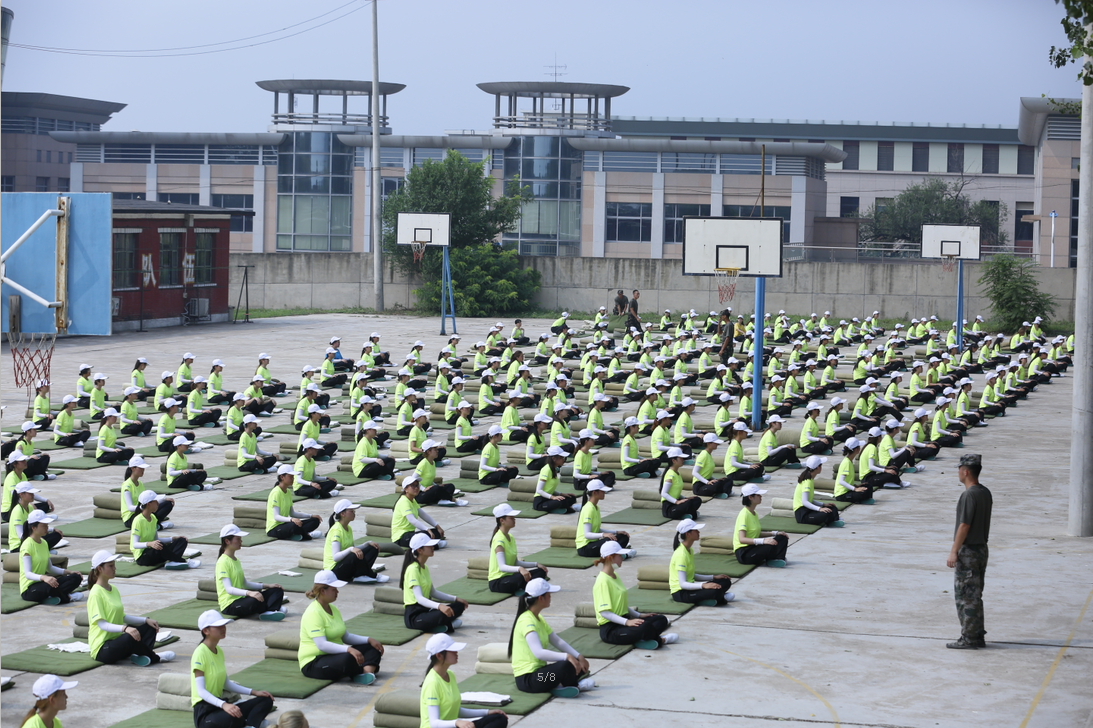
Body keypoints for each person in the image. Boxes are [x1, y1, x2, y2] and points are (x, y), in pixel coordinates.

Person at [85, 550, 175, 666]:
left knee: (149, 627)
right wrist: (125, 628)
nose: (114, 568)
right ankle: (154, 657)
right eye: (110, 566)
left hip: (117, 643)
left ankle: (141, 656)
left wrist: (145, 620)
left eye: (114, 565)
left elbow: (122, 617)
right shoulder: (95, 593)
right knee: (129, 637)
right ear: (99, 569)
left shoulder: (113, 589)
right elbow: (102, 624)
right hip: (103, 650)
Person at [508, 578, 594, 698]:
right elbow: (538, 653)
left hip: (540, 674)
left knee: (577, 666)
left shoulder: (538, 618)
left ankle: (560, 684)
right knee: (565, 666)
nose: (550, 597)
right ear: (540, 598)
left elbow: (557, 641)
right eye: (548, 594)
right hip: (530, 680)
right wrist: (567, 656)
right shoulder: (526, 620)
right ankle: (569, 685)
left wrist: (579, 656)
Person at [191, 610, 275, 727]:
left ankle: (250, 726)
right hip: (205, 713)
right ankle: (250, 723)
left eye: (223, 625)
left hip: (219, 707)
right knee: (234, 717)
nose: (223, 628)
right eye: (218, 626)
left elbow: (226, 684)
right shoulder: (200, 653)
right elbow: (201, 691)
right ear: (206, 631)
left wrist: (254, 692)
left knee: (266, 700)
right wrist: (224, 705)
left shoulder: (219, 651)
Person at [299, 571, 385, 683]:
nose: (337, 591)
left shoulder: (333, 609)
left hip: (334, 656)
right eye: (334, 589)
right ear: (322, 591)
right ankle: (362, 671)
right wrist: (348, 649)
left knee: (372, 647)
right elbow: (322, 645)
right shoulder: (313, 612)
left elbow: (346, 637)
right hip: (314, 662)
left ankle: (365, 674)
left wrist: (369, 639)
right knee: (348, 658)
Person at [946, 453, 992, 650]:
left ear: (965, 471)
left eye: (959, 469)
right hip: (981, 549)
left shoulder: (969, 495)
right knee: (975, 594)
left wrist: (954, 551)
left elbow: (964, 525)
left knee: (966, 596)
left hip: (969, 551)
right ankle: (977, 634)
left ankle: (969, 637)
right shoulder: (985, 492)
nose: (958, 472)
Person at [593, 540, 675, 649]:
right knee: (645, 626)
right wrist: (627, 622)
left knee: (660, 619)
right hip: (611, 630)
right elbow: (605, 613)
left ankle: (641, 639)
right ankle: (661, 640)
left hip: (623, 621)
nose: (622, 558)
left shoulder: (615, 575)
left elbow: (619, 604)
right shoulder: (602, 581)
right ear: (610, 558)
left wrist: (639, 615)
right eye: (620, 555)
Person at [420, 633, 508, 728]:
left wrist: (487, 712)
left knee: (499, 718)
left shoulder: (450, 674)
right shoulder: (432, 683)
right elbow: (434, 723)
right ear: (439, 656)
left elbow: (456, 710)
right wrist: (457, 722)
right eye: (452, 650)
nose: (456, 652)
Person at [216, 524, 286, 620]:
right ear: (227, 541)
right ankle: (272, 608)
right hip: (230, 605)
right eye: (238, 539)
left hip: (241, 599)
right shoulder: (222, 562)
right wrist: (249, 593)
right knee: (254, 600)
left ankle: (270, 611)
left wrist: (268, 586)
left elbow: (245, 584)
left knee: (277, 590)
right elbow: (228, 589)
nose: (241, 541)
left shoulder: (236, 560)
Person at [401, 533, 468, 633]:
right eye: (429, 546)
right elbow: (419, 599)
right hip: (415, 616)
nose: (433, 547)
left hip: (427, 611)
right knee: (442, 613)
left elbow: (433, 593)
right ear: (420, 550)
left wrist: (456, 599)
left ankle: (443, 624)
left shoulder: (424, 567)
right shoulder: (412, 569)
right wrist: (440, 606)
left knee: (459, 606)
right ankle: (446, 625)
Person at [19, 510, 82, 604]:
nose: (47, 528)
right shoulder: (27, 545)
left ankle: (52, 597)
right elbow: (27, 574)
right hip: (29, 589)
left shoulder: (44, 543)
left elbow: (50, 568)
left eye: (47, 525)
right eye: (44, 525)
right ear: (33, 527)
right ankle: (67, 598)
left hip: (43, 584)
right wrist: (44, 578)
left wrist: (69, 572)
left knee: (76, 577)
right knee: (51, 586)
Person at [669, 520, 734, 606]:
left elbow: (691, 575)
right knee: (715, 591)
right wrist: (703, 585)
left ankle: (717, 597)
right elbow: (683, 584)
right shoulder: (681, 555)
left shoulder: (689, 550)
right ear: (688, 534)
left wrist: (714, 577)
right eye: (695, 530)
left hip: (691, 588)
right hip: (682, 593)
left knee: (725, 581)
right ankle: (719, 597)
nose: (698, 532)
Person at [487, 504, 547, 594]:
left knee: (540, 572)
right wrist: (520, 569)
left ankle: (523, 586)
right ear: (502, 520)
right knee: (521, 577)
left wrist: (536, 564)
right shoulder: (499, 540)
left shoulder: (510, 537)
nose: (514, 520)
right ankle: (525, 587)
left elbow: (515, 562)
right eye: (511, 518)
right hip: (498, 582)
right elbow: (502, 567)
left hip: (511, 577)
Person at [131, 490, 199, 569]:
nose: (158, 503)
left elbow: (156, 539)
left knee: (182, 540)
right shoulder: (138, 520)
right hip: (143, 557)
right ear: (149, 504)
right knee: (160, 545)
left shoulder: (153, 518)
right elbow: (134, 544)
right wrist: (149, 544)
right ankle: (183, 561)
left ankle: (173, 562)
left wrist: (172, 538)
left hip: (155, 551)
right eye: (156, 501)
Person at [325, 499, 387, 584]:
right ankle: (372, 575)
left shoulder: (348, 528)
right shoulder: (336, 530)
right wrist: (351, 549)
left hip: (345, 566)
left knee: (373, 548)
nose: (354, 513)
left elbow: (354, 549)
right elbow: (336, 557)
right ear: (342, 514)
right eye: (351, 511)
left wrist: (366, 544)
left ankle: (360, 575)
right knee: (354, 554)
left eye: (354, 511)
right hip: (335, 572)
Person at [733, 484, 789, 567]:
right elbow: (742, 539)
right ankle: (773, 558)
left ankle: (777, 559)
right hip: (744, 553)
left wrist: (775, 533)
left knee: (782, 537)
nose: (761, 496)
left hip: (753, 547)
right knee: (770, 545)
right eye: (758, 495)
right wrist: (763, 541)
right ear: (750, 497)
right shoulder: (744, 515)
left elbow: (755, 533)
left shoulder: (754, 513)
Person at [576, 479, 634, 557]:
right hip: (585, 548)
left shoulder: (596, 508)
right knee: (610, 540)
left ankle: (616, 551)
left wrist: (616, 532)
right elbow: (587, 534)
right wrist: (603, 535)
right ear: (595, 492)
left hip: (593, 543)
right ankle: (620, 554)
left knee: (623, 537)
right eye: (602, 491)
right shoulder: (588, 509)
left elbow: (596, 529)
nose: (604, 493)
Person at [266, 465, 322, 541]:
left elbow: (292, 513)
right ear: (282, 477)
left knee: (314, 520)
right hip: (275, 528)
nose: (293, 478)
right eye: (290, 476)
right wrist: (291, 519)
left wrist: (311, 515)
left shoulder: (288, 492)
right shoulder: (276, 493)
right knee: (294, 525)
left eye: (293, 476)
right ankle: (307, 534)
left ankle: (300, 534)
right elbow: (276, 517)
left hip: (285, 524)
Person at [391, 474, 448, 548]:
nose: (416, 488)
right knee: (425, 534)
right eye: (413, 486)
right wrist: (427, 530)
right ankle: (434, 545)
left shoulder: (412, 500)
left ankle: (431, 542)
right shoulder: (404, 501)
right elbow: (412, 520)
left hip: (410, 534)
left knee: (436, 532)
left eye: (417, 485)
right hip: (401, 538)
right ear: (406, 489)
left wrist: (437, 526)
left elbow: (423, 515)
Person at [120, 456, 174, 528]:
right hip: (131, 518)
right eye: (140, 468)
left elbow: (147, 500)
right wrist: (145, 507)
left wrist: (163, 499)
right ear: (133, 468)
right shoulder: (127, 485)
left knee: (168, 503)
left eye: (143, 468)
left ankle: (154, 523)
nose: (143, 470)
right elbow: (130, 507)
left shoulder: (140, 483)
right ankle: (159, 526)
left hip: (142, 511)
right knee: (150, 509)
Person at [793, 456, 844, 527]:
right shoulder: (807, 482)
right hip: (803, 515)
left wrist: (823, 504)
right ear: (817, 467)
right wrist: (819, 509)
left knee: (832, 507)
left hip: (808, 510)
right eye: (821, 465)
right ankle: (831, 520)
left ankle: (834, 520)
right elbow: (805, 502)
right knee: (826, 513)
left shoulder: (810, 480)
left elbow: (810, 500)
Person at [414, 441, 464, 506]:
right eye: (435, 450)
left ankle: (442, 500)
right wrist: (424, 489)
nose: (437, 451)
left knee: (450, 486)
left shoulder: (433, 462)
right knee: (437, 489)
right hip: (421, 494)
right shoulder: (423, 464)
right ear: (428, 452)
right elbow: (413, 479)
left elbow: (429, 480)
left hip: (430, 491)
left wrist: (437, 485)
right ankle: (454, 500)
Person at [659, 448, 702, 520]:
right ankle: (688, 513)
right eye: (681, 458)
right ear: (674, 460)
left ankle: (687, 514)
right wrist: (676, 502)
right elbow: (663, 493)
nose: (683, 460)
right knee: (688, 504)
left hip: (676, 503)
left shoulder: (677, 473)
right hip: (669, 508)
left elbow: (675, 492)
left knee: (697, 499)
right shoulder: (670, 475)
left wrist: (685, 498)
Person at [534, 447, 579, 513]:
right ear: (554, 458)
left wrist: (562, 494)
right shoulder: (546, 470)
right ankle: (564, 508)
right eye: (561, 458)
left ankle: (564, 508)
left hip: (548, 498)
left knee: (571, 497)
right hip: (541, 502)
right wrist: (553, 497)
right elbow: (539, 490)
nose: (563, 460)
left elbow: (549, 489)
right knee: (561, 501)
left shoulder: (554, 469)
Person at [832, 438, 875, 504]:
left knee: (868, 486)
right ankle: (862, 499)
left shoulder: (849, 461)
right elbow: (841, 481)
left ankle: (862, 498)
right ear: (856, 449)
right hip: (842, 495)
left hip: (848, 490)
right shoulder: (846, 463)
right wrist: (855, 489)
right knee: (865, 492)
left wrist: (856, 486)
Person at [690, 433, 733, 497]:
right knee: (717, 485)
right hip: (699, 486)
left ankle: (724, 491)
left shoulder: (708, 454)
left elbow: (707, 473)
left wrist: (716, 479)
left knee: (728, 480)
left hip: (707, 481)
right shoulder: (703, 455)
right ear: (708, 443)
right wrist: (707, 482)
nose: (717, 444)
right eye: (715, 443)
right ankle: (725, 491)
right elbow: (694, 472)